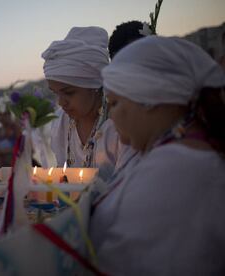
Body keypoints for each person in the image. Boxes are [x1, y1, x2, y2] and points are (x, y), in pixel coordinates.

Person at [89, 36, 225, 274]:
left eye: (114, 103)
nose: (111, 117)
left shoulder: (178, 167)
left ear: (148, 98)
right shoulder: (177, 153)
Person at [42, 26, 134, 180]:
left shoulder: (119, 124)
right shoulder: (61, 122)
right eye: (55, 93)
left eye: (68, 92)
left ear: (94, 85)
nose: (61, 102)